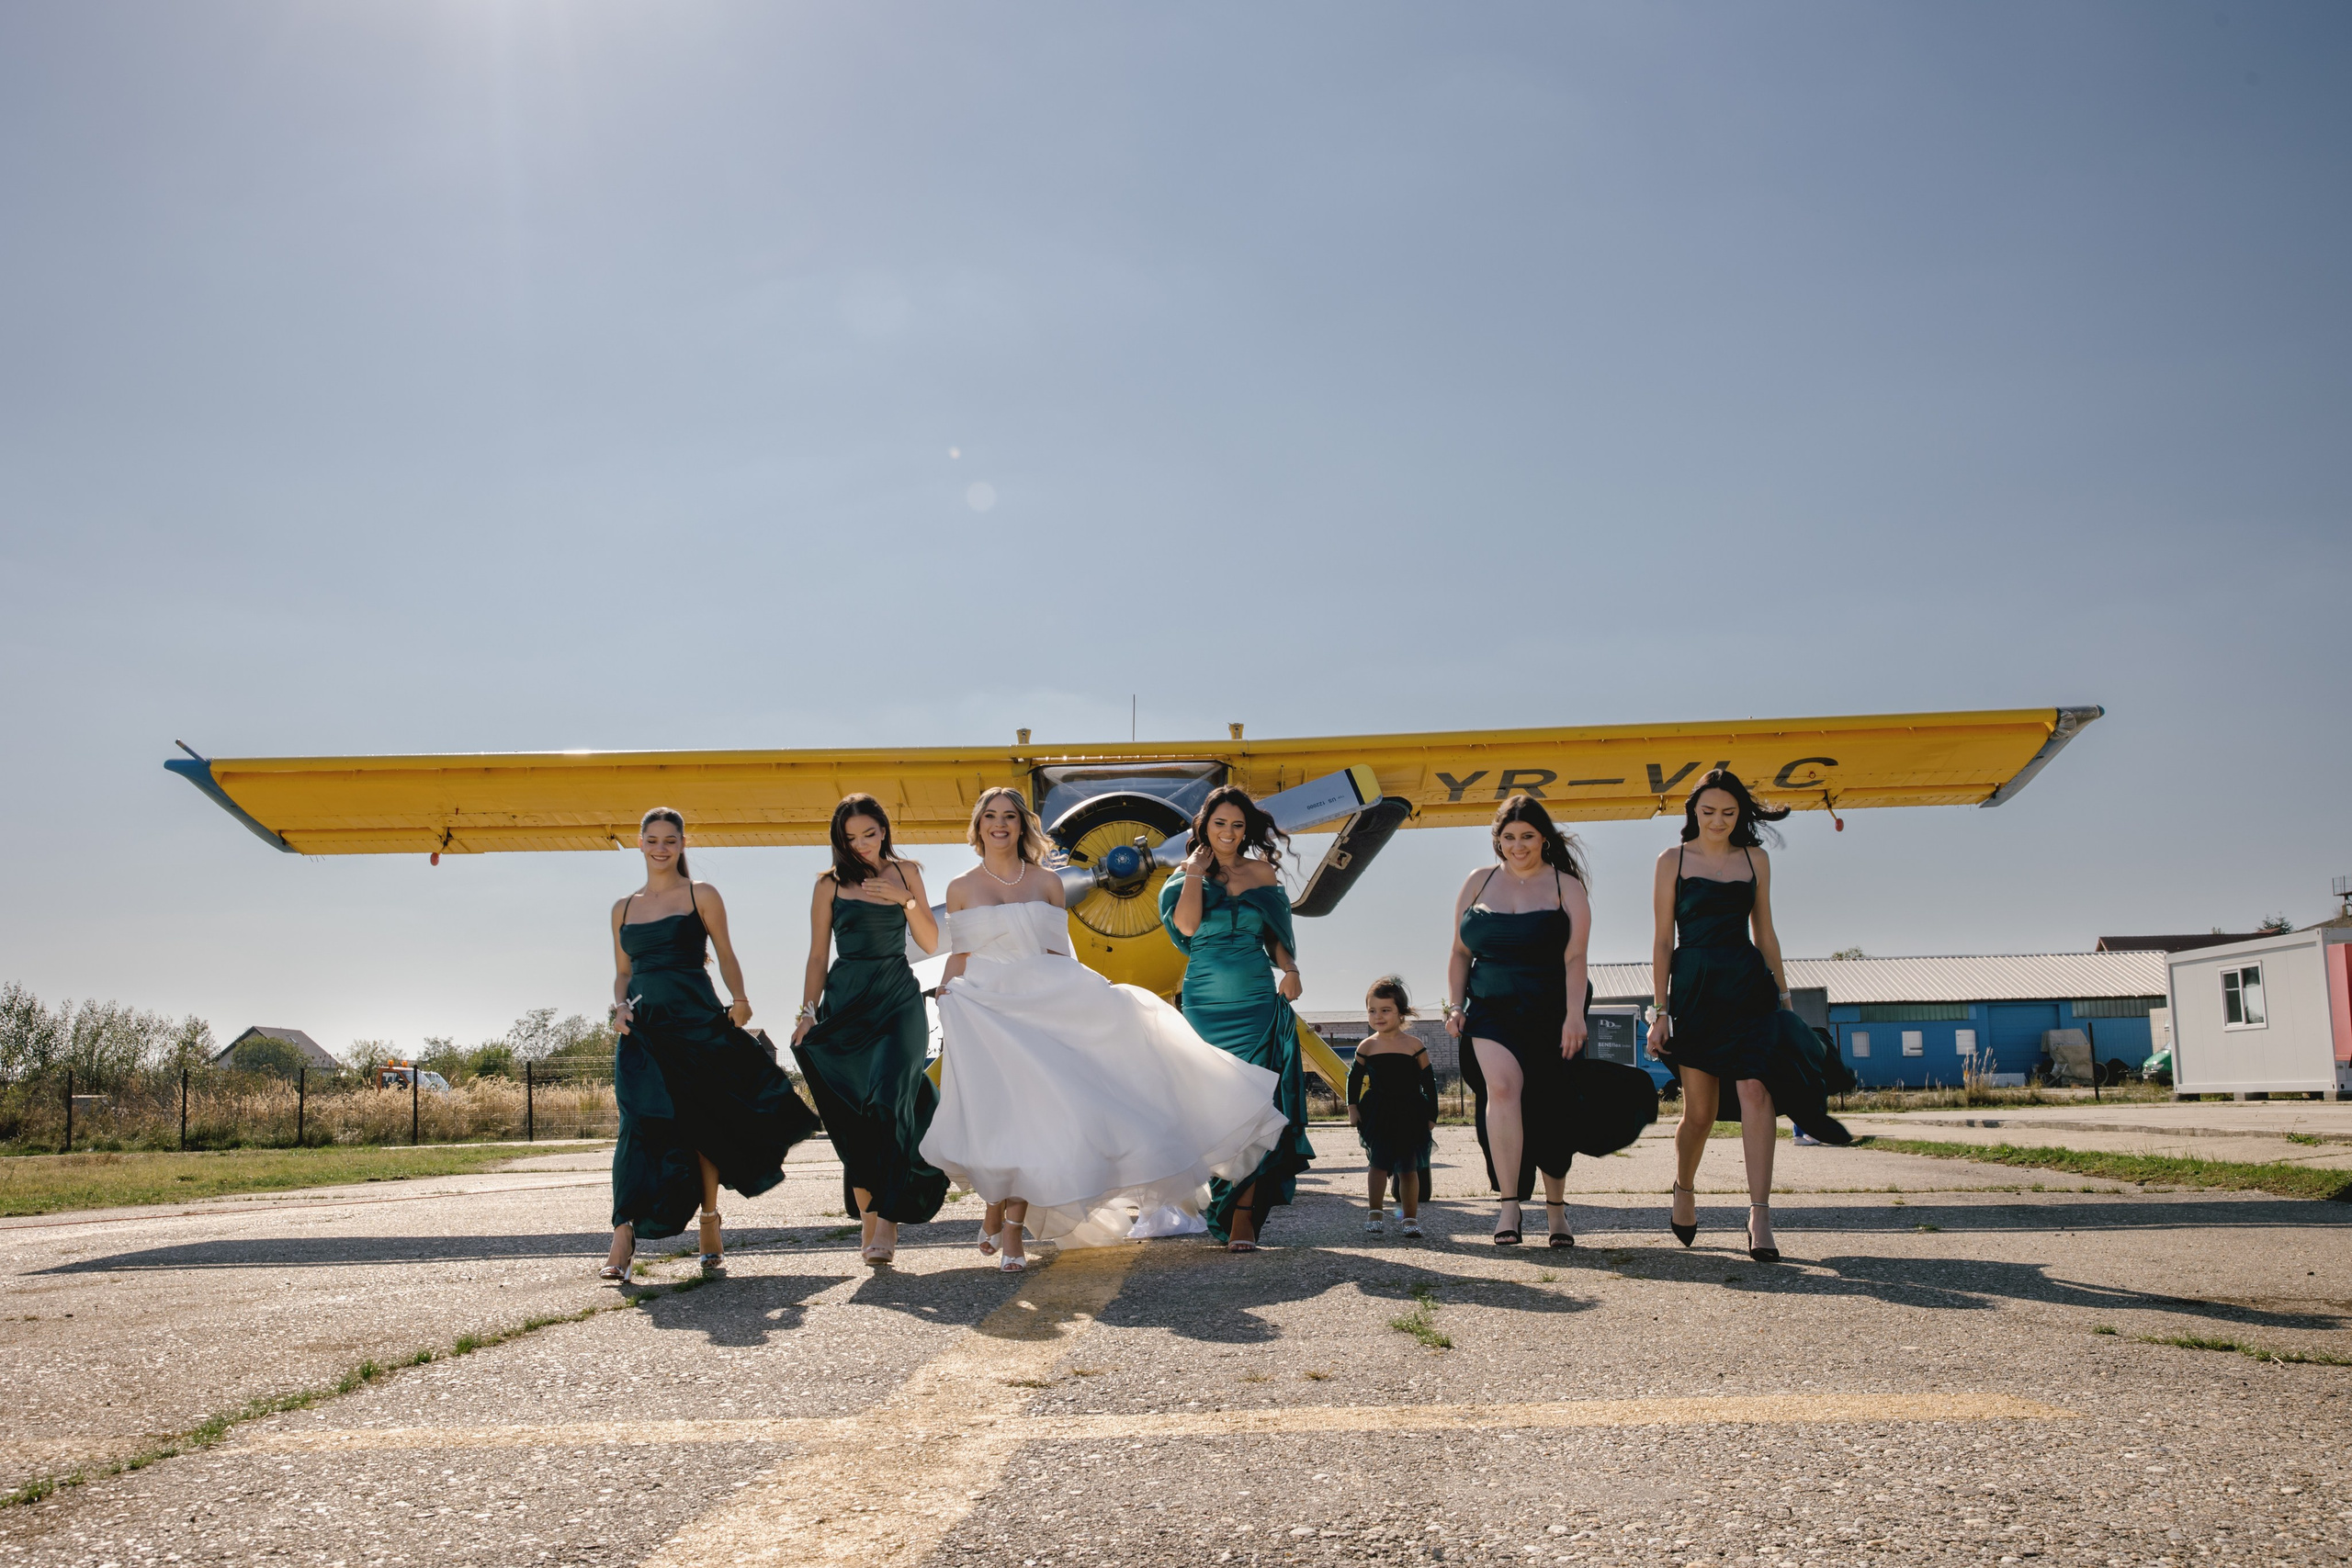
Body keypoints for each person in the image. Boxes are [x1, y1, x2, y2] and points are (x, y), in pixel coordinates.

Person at [919, 786, 1289, 1269]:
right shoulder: (960, 888)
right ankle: (994, 1209)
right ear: (978, 825)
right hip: (988, 1010)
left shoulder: (1048, 883)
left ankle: (1011, 1232)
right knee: (1003, 1116)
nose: (1000, 824)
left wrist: (1095, 999)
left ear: (1022, 825)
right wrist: (948, 997)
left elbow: (1056, 957)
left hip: (1040, 1007)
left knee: (1039, 1117)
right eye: (990, 816)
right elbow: (961, 957)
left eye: (1010, 815)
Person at [605, 807, 821, 1280]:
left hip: (696, 1023)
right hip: (643, 1031)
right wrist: (618, 1008)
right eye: (652, 839)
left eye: (670, 840)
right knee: (637, 1124)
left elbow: (725, 952)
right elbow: (623, 973)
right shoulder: (623, 907)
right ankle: (623, 1233)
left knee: (703, 1128)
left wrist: (740, 998)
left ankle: (709, 1220)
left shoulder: (701, 894)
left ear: (682, 845)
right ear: (639, 843)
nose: (661, 848)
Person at [1648, 768, 1852, 1265]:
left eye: (1729, 812)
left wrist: (1783, 1001)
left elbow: (1766, 933)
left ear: (1741, 815)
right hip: (1695, 991)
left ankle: (1759, 1214)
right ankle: (1684, 1187)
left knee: (1757, 1090)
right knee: (1699, 1113)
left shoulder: (1755, 859)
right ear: (1693, 811)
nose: (1718, 820)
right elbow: (1661, 940)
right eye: (1709, 811)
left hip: (1748, 989)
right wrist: (1660, 1011)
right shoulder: (1671, 861)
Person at [790, 795, 948, 1267]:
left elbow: (930, 941)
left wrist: (906, 900)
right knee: (856, 1110)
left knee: (888, 1101)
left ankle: (887, 1219)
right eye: (850, 838)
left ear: (884, 830)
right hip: (847, 1000)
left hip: (898, 998)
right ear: (839, 840)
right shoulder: (829, 885)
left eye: (870, 834)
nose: (861, 845)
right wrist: (807, 1012)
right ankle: (868, 1213)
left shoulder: (906, 873)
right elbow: (818, 955)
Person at [1159, 784, 1317, 1252]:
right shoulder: (1184, 874)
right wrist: (1193, 873)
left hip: (1254, 999)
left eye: (1237, 825)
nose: (1228, 833)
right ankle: (1214, 1199)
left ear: (1247, 830)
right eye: (1220, 823)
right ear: (1204, 826)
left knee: (1253, 1107)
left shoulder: (1261, 871)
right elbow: (1186, 927)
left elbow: (1275, 935)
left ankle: (1244, 1215)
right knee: (1209, 1105)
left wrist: (1290, 969)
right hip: (1204, 1003)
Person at [1444, 794, 1591, 1248]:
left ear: (1543, 838)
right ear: (1498, 840)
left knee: (1549, 1106)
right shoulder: (1478, 881)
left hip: (1551, 1011)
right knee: (1502, 1091)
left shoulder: (1567, 886)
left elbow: (1576, 958)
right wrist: (1455, 1005)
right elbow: (1459, 952)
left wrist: (1572, 1016)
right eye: (1508, 837)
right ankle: (1509, 1206)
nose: (1517, 845)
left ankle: (1556, 1211)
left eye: (1527, 836)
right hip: (1491, 1011)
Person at [1348, 976, 1437, 1239]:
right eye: (1372, 1010)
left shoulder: (1414, 1045)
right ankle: (1374, 1213)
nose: (1378, 1016)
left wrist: (1432, 1115)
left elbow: (1428, 1083)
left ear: (1401, 1013)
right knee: (1378, 1164)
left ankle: (1410, 1218)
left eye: (1386, 1010)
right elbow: (1354, 1079)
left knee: (1409, 1168)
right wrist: (1352, 1107)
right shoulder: (1368, 1046)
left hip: (1410, 1113)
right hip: (1379, 1113)